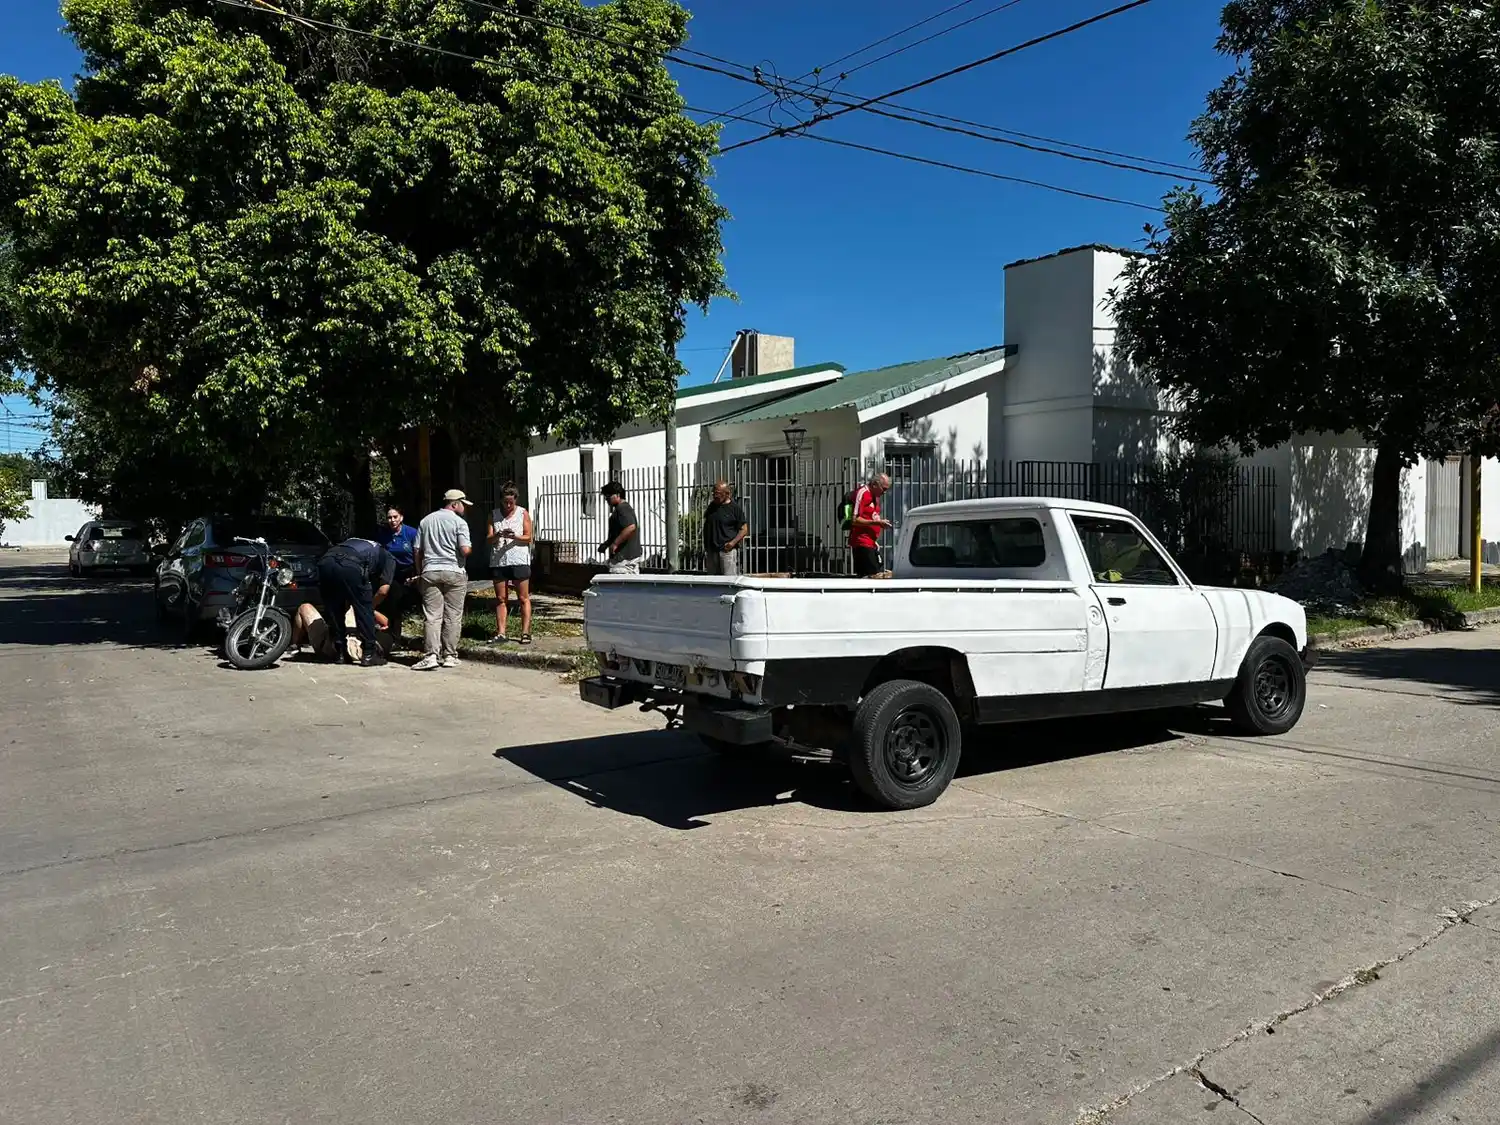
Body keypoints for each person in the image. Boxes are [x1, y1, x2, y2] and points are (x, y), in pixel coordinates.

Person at [412, 489, 473, 671]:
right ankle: (450, 655)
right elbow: (464, 549)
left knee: (432, 616)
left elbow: (417, 550)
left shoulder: (426, 521)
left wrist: (420, 571)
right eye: (463, 504)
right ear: (454, 504)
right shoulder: (459, 523)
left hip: (430, 571)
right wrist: (468, 551)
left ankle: (431, 655)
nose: (464, 508)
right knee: (453, 615)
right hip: (454, 571)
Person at [315, 535, 398, 666]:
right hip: (351, 565)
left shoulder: (356, 542)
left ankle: (340, 653)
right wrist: (370, 607)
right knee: (364, 608)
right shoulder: (389, 558)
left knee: (334, 608)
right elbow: (383, 590)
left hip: (325, 562)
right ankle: (369, 654)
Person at [487, 484, 534, 645]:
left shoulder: (523, 513)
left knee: (523, 597)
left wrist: (515, 536)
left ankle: (525, 632)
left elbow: (529, 537)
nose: (508, 506)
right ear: (501, 500)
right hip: (499, 561)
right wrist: (498, 534)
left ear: (515, 500)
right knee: (501, 598)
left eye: (511, 503)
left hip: (519, 560)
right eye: (505, 502)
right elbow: (489, 538)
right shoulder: (494, 515)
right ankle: (501, 633)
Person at [292, 602, 394, 663]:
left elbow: (387, 623)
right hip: (358, 649)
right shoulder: (360, 611)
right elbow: (386, 623)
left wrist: (363, 607)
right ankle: (294, 644)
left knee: (304, 607)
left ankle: (294, 645)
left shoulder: (355, 609)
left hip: (334, 647)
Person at [376, 504, 419, 643]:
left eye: (395, 517)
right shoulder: (384, 535)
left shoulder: (411, 533)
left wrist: (418, 572)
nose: (392, 520)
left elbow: (418, 553)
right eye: (389, 517)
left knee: (407, 601)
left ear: (401, 518)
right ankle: (394, 636)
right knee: (393, 602)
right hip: (391, 572)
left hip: (409, 571)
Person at [848, 472, 894, 578]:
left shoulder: (875, 496)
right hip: (862, 542)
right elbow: (855, 520)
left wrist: (880, 524)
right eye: (884, 489)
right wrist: (877, 523)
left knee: (880, 574)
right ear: (874, 484)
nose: (885, 492)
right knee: (873, 577)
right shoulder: (863, 493)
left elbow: (871, 515)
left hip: (871, 542)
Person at [702, 479, 748, 576]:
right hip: (712, 551)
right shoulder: (712, 507)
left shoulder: (734, 508)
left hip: (727, 551)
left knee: (728, 580)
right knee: (712, 581)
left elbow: (744, 529)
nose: (715, 496)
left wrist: (732, 543)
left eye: (718, 493)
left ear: (727, 494)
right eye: (714, 493)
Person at [597, 481, 642, 575]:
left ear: (617, 495)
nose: (606, 499)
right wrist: (607, 544)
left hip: (623, 560)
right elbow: (619, 531)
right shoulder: (622, 508)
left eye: (608, 496)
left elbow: (630, 527)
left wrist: (615, 543)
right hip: (625, 559)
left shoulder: (622, 509)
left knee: (619, 587)